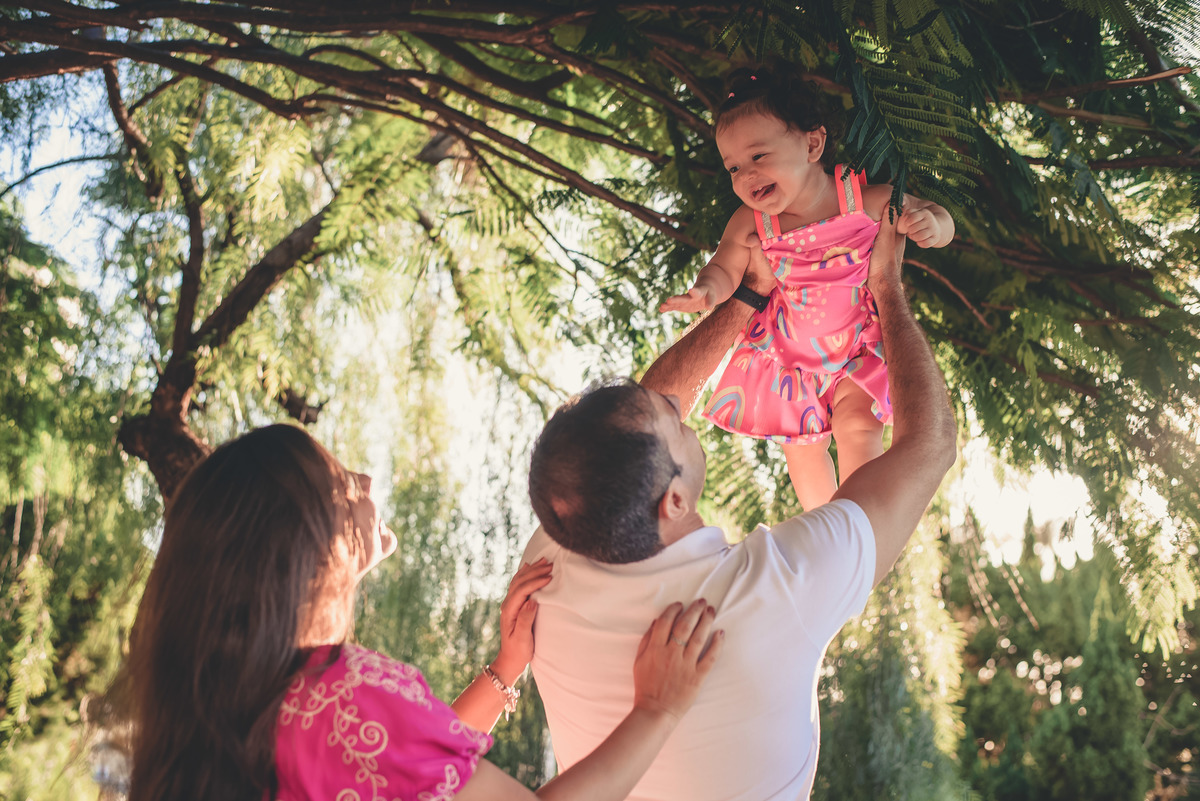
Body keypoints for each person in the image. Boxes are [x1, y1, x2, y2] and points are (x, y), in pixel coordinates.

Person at [523, 219, 957, 801]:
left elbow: (633, 432)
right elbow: (930, 445)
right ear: (674, 501)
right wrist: (887, 288)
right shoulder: (774, 589)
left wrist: (751, 294)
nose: (678, 408)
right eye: (674, 423)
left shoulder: (554, 556)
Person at [111, 423, 724, 801]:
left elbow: (401, 769)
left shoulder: (262, 708)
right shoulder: (340, 693)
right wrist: (656, 709)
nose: (365, 480)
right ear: (296, 541)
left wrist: (506, 667)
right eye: (339, 482)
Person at [660, 66, 955, 510]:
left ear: (813, 144)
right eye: (734, 167)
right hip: (790, 359)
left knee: (858, 426)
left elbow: (936, 213)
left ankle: (862, 516)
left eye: (759, 156)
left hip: (857, 348)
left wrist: (932, 226)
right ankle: (824, 527)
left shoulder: (863, 200)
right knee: (801, 450)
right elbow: (724, 266)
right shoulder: (752, 222)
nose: (746, 175)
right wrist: (706, 292)